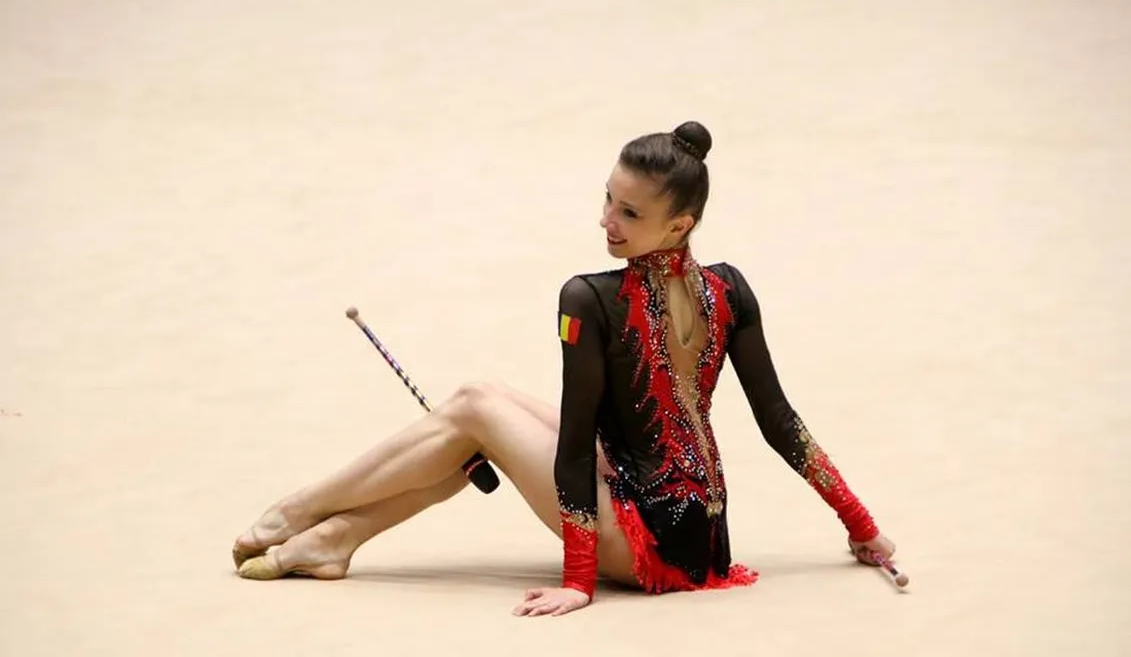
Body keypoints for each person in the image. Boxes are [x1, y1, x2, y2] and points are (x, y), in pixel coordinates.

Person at [230, 121, 897, 617]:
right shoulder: (729, 287)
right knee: (477, 400)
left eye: (629, 213)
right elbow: (780, 422)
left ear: (679, 225)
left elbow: (578, 442)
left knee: (472, 412)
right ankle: (335, 540)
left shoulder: (589, 298)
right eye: (608, 199)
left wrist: (578, 581)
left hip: (647, 546)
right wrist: (862, 529)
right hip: (703, 533)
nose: (607, 220)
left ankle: (295, 513)